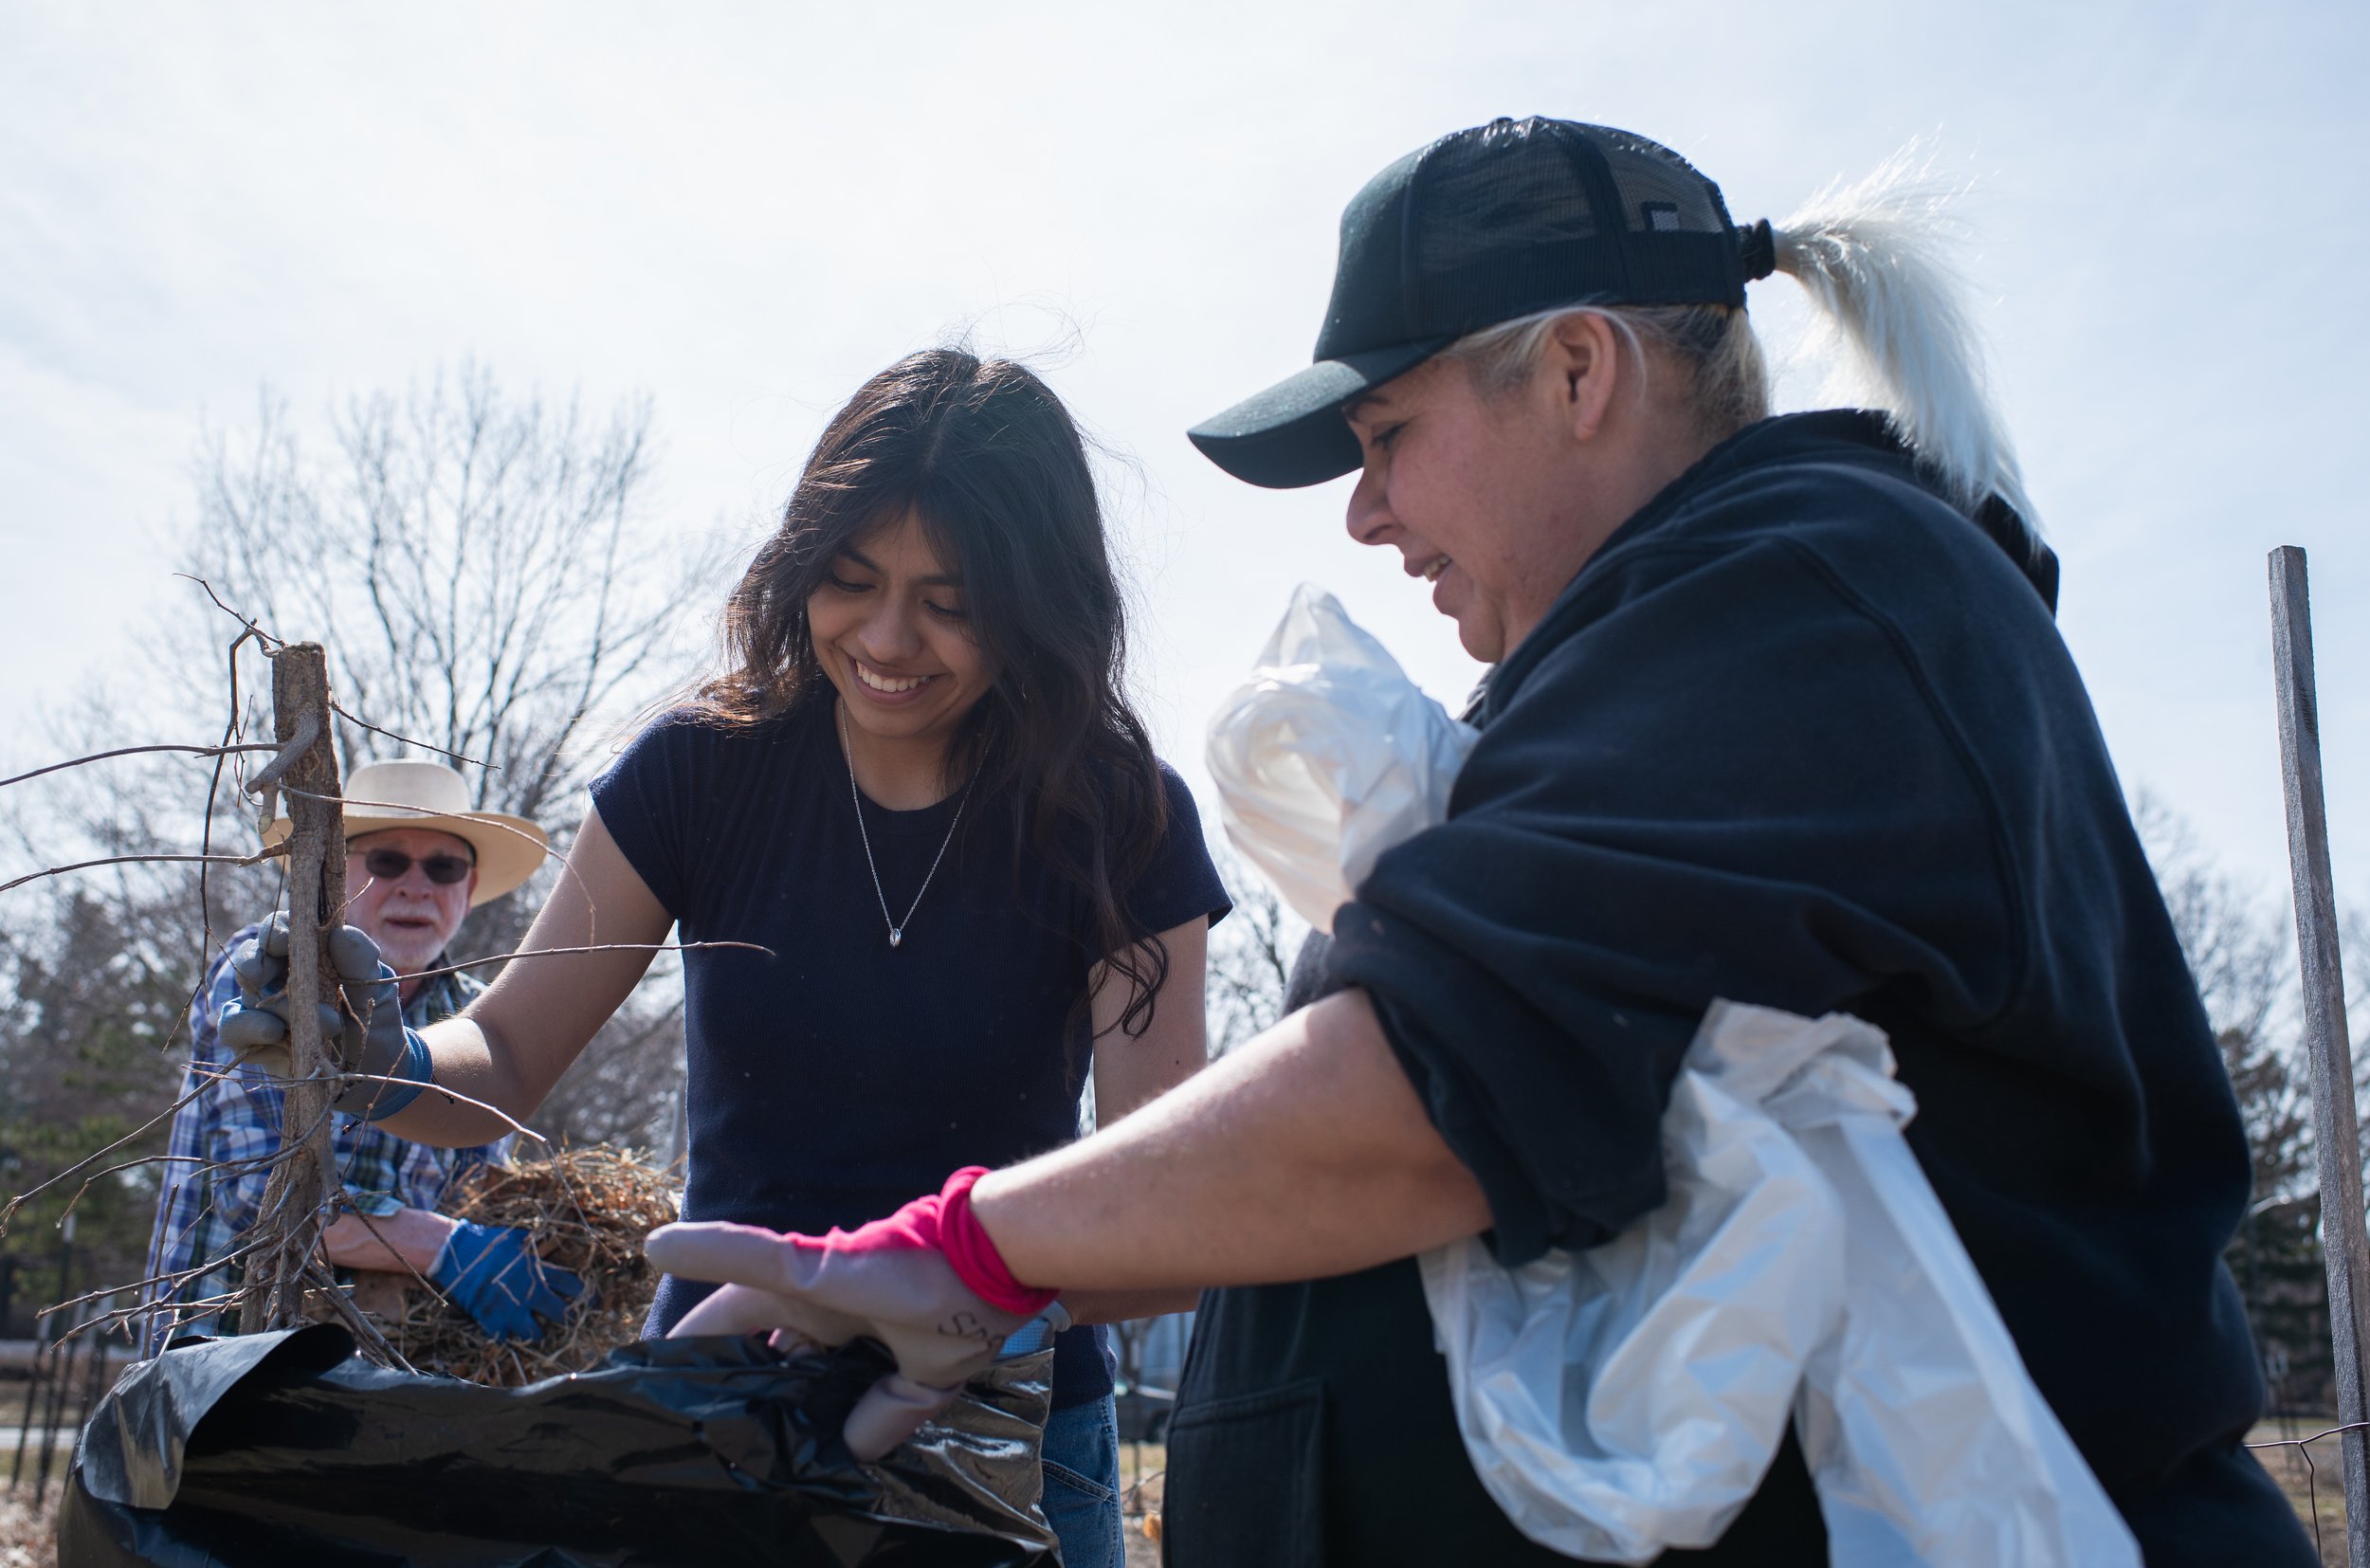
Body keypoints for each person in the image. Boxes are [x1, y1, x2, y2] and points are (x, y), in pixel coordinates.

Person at [639, 119, 2315, 1566]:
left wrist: (959, 1251)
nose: (1364, 516)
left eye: (1384, 441)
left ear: (1578, 369)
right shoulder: (1666, 652)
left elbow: (1434, 1088)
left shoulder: (1805, 594)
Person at [224, 350, 1231, 1568]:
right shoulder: (698, 770)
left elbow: (1167, 1214)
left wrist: (977, 1283)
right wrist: (375, 1051)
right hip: (714, 1409)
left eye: (951, 600)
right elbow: (508, 1049)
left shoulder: (1122, 819)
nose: (888, 637)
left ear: (1041, 602)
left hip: (1011, 1424)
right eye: (848, 580)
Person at [146, 759, 581, 1346]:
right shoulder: (270, 972)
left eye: (444, 867)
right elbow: (262, 1198)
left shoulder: (478, 1018)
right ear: (331, 875)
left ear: (469, 888)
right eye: (387, 861)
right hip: (223, 1357)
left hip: (391, 1374)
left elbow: (479, 1193)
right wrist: (445, 1247)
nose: (416, 886)